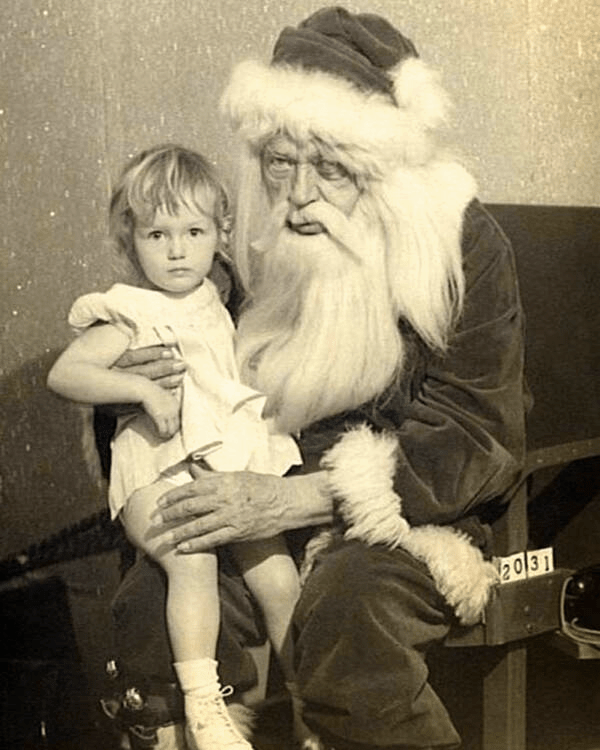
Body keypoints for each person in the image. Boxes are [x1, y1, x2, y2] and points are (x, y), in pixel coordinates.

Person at [100, 8, 529, 750]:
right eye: (279, 161)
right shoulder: (247, 256)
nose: (298, 193)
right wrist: (144, 384)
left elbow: (476, 435)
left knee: (346, 609)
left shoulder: (461, 247)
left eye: (330, 167)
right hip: (261, 500)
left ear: (382, 170)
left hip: (411, 515)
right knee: (149, 600)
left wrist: (291, 499)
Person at [47, 144, 316, 750]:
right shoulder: (129, 311)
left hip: (224, 467)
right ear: (130, 240)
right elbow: (65, 375)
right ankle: (203, 707)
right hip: (157, 474)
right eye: (157, 234)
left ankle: (310, 705)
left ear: (219, 234)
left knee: (278, 576)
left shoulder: (217, 298)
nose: (176, 250)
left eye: (193, 232)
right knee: (190, 560)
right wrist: (141, 388)